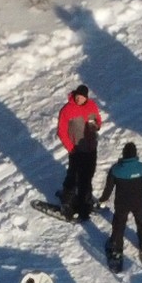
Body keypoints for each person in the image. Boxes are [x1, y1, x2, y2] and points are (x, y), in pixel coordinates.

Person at [97, 141, 142, 270]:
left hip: (122, 203)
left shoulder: (115, 169)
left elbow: (108, 188)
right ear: (136, 154)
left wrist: (102, 200)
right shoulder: (141, 167)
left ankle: (116, 250)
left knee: (118, 225)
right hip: (139, 201)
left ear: (123, 154)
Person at [56, 86, 103, 220]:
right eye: (77, 95)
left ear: (86, 97)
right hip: (76, 150)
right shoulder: (67, 110)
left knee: (88, 175)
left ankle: (86, 200)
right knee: (73, 175)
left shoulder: (92, 105)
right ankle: (67, 201)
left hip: (91, 148)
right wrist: (71, 148)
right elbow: (61, 131)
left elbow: (98, 120)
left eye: (81, 96)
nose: (78, 98)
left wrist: (97, 125)